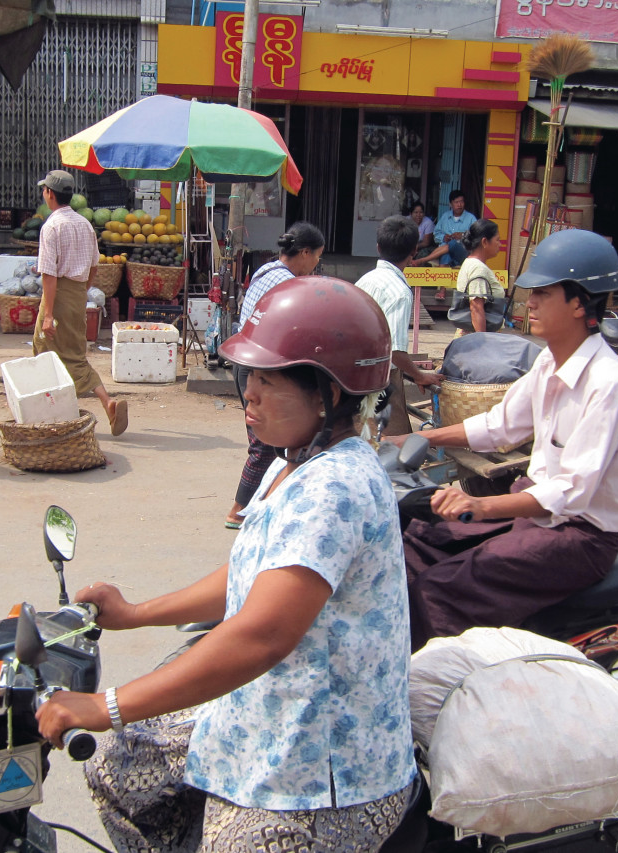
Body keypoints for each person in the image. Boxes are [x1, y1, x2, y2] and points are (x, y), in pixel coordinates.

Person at [37, 277, 416, 852]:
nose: (250, 396)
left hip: (322, 766)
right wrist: (134, 613)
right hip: (265, 707)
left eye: (269, 380)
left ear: (329, 394)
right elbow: (248, 574)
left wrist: (103, 705)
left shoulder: (335, 488)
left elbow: (262, 635)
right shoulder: (290, 466)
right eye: (249, 377)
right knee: (118, 765)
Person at [396, 229, 618, 650]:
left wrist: (479, 504)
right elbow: (500, 426)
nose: (529, 302)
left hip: (578, 537)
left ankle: (429, 695)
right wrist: (414, 437)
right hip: (536, 515)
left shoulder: (609, 384)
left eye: (543, 293)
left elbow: (570, 492)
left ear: (579, 302)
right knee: (416, 541)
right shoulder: (550, 361)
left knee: (438, 589)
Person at [226, 223, 324, 528]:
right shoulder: (288, 286)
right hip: (260, 369)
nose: (316, 264)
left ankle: (268, 502)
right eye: (316, 257)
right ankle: (238, 511)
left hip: (245, 362)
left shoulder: (265, 271)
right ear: (305, 253)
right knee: (265, 443)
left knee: (275, 440)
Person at [33, 170, 128, 437]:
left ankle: (51, 413)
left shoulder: (52, 226)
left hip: (58, 296)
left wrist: (49, 314)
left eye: (45, 190)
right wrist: (81, 290)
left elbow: (49, 274)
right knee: (75, 354)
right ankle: (106, 402)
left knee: (44, 351)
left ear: (50, 194)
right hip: (77, 295)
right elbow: (94, 265)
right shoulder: (84, 224)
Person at [353, 215, 443, 435]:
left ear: (378, 247)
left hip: (355, 373)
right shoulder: (399, 293)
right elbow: (395, 352)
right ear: (414, 251)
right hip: (380, 379)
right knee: (395, 444)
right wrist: (420, 375)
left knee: (362, 435)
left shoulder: (366, 279)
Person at [454, 218, 506, 333]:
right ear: (485, 242)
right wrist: (482, 341)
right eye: (497, 240)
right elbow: (476, 307)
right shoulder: (478, 268)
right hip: (475, 340)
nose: (500, 244)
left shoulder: (470, 263)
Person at [417, 189, 476, 267]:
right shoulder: (445, 216)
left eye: (461, 201)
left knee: (452, 243)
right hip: (444, 251)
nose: (459, 205)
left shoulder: (471, 218)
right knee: (446, 253)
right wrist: (443, 237)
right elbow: (436, 233)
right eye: (456, 202)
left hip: (463, 253)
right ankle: (442, 274)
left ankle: (424, 260)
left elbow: (476, 236)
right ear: (450, 204)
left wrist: (462, 235)